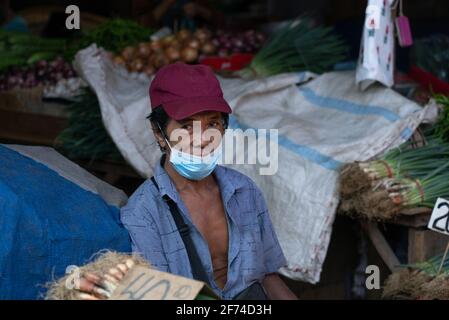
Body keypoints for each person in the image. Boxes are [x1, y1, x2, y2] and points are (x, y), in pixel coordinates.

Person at [76, 63, 297, 300]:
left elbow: (268, 276)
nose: (202, 140)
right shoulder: (143, 214)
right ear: (159, 133)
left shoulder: (244, 191)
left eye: (212, 124)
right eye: (186, 127)